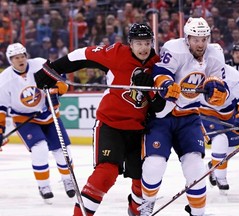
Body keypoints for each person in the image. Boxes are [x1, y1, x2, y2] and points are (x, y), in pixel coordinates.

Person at [33, 23, 164, 216]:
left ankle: (136, 211)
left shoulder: (158, 64)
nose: (143, 48)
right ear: (130, 43)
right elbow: (83, 55)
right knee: (106, 174)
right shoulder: (117, 54)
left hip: (140, 129)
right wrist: (51, 69)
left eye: (147, 43)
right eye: (138, 43)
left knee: (143, 179)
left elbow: (161, 107)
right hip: (111, 124)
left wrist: (153, 93)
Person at [139, 18, 228, 216]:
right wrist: (166, 84)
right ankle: (147, 203)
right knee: (155, 164)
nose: (200, 44)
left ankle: (198, 212)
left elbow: (220, 84)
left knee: (195, 165)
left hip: (189, 118)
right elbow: (160, 72)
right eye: (196, 39)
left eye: (204, 39)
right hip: (163, 116)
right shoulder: (174, 48)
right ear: (187, 38)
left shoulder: (215, 54)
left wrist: (217, 91)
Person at [0, 43, 75, 203]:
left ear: (26, 56)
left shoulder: (39, 64)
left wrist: (60, 87)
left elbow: (59, 79)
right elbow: (1, 108)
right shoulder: (4, 80)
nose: (20, 60)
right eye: (16, 58)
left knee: (63, 149)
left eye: (22, 56)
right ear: (10, 60)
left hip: (47, 114)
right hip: (24, 119)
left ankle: (68, 179)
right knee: (39, 148)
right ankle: (44, 186)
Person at [200, 64, 239, 193]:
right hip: (205, 111)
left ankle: (214, 166)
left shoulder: (232, 75)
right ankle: (221, 177)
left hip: (227, 112)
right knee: (220, 139)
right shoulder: (197, 71)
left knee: (230, 147)